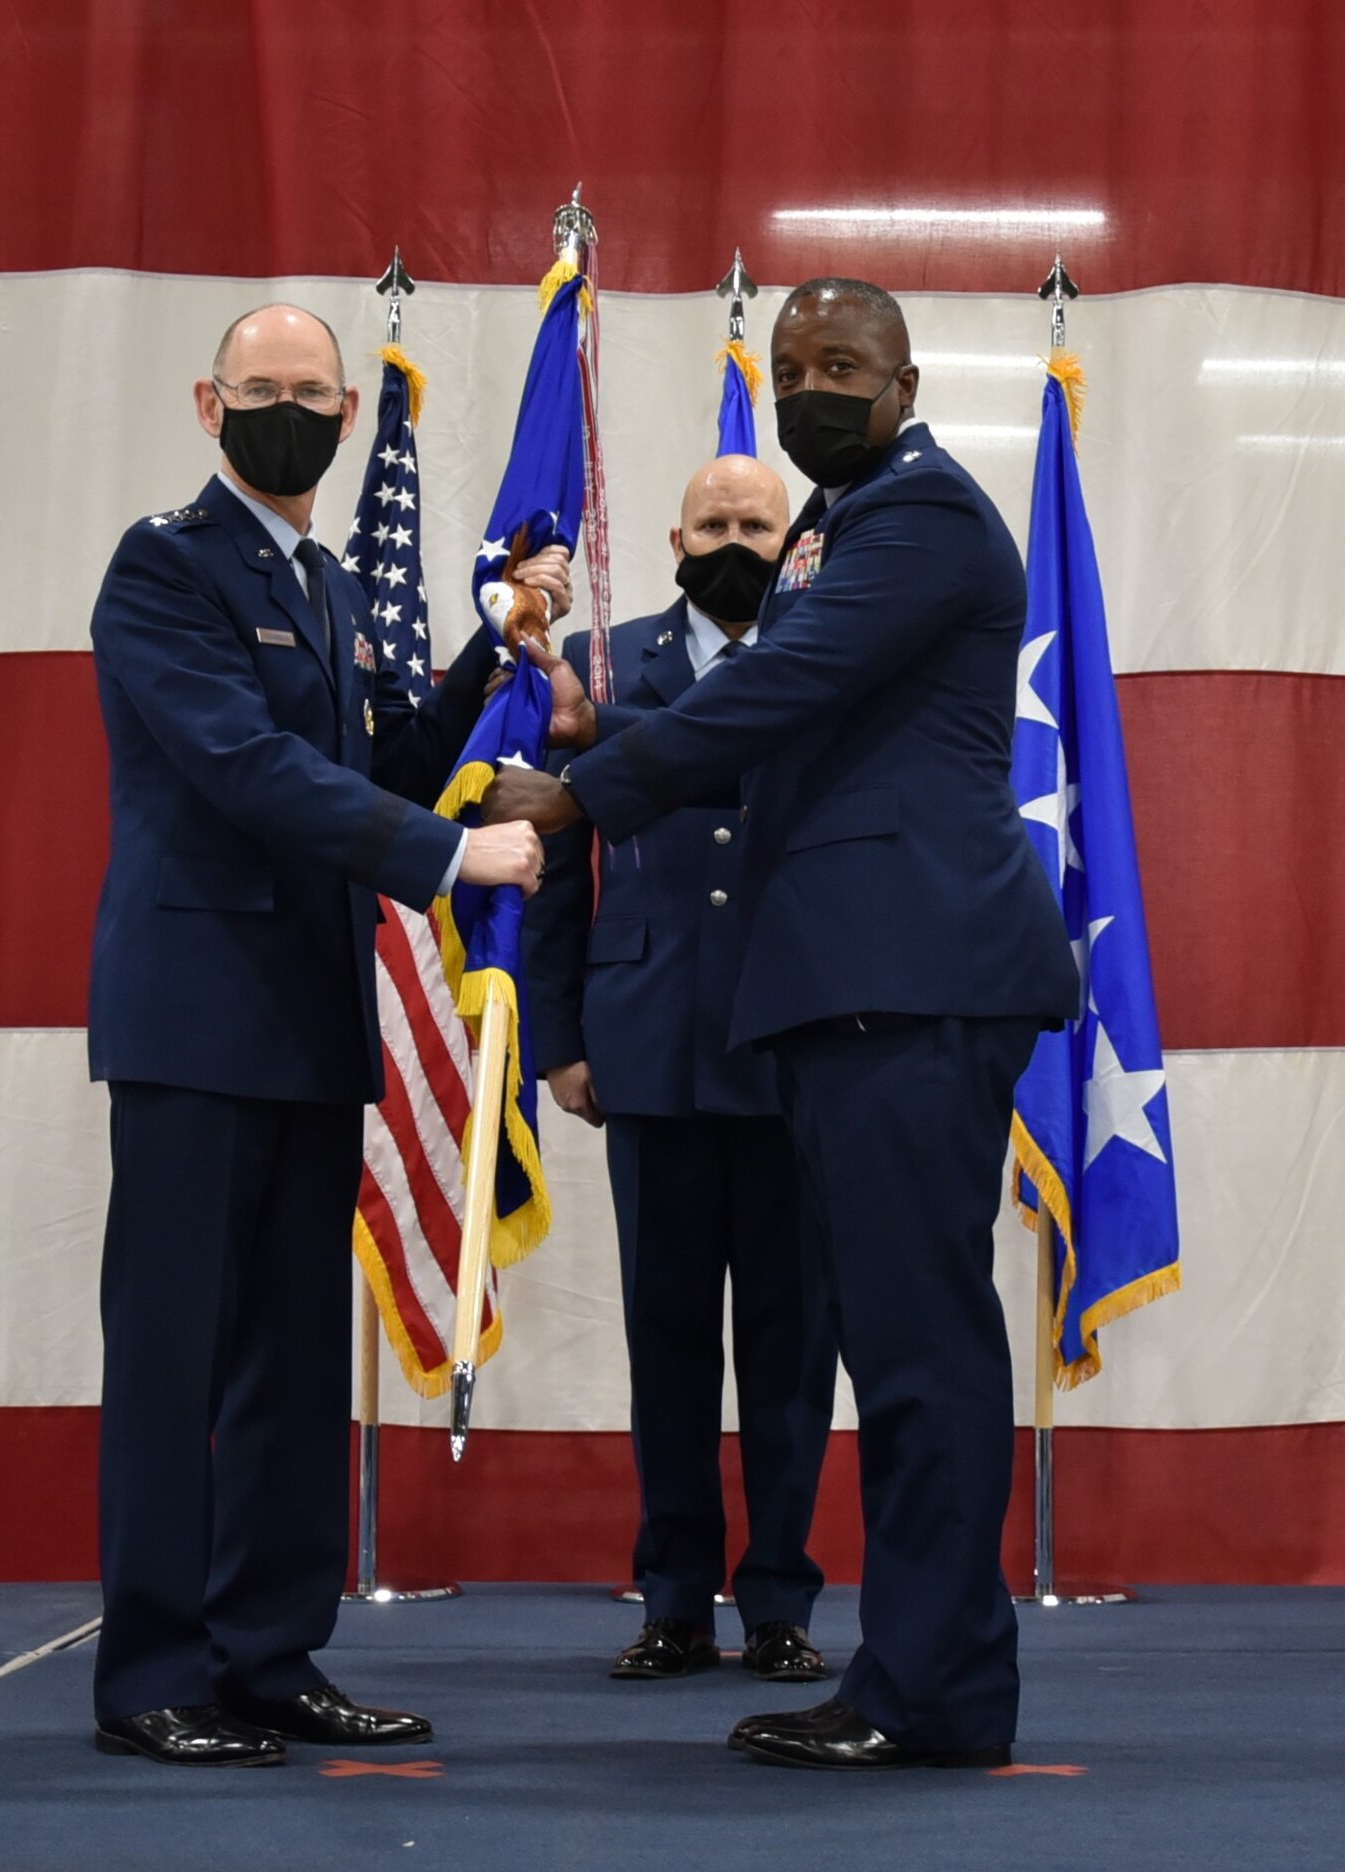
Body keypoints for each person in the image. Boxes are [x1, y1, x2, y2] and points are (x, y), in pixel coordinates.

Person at [483, 278, 1078, 1770]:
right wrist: (600, 739)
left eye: (843, 365)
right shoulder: (841, 524)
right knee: (895, 1343)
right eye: (794, 362)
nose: (812, 386)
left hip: (910, 975)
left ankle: (935, 1694)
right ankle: (918, 1680)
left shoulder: (921, 516)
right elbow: (782, 725)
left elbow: (785, 691)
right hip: (855, 985)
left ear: (908, 380)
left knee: (919, 1349)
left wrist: (582, 795)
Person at [86, 303, 564, 1768]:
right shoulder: (166, 567)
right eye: (260, 388)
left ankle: (271, 1655)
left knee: (293, 1363)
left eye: (311, 392)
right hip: (192, 1018)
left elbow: (392, 764)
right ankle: (154, 1672)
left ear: (353, 416)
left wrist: (493, 660)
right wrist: (447, 864)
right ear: (207, 400)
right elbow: (248, 769)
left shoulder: (340, 592)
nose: (287, 410)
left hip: (307, 1021)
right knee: (176, 1355)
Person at [523, 456, 837, 1686]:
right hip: (645, 1045)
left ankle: (778, 1606)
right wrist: (559, 1037)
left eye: (756, 525)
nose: (733, 541)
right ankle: (671, 1602)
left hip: (784, 1043)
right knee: (665, 1345)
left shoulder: (826, 655)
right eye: (712, 522)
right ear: (670, 536)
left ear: (789, 542)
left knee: (788, 1348)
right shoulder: (604, 662)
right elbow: (557, 843)